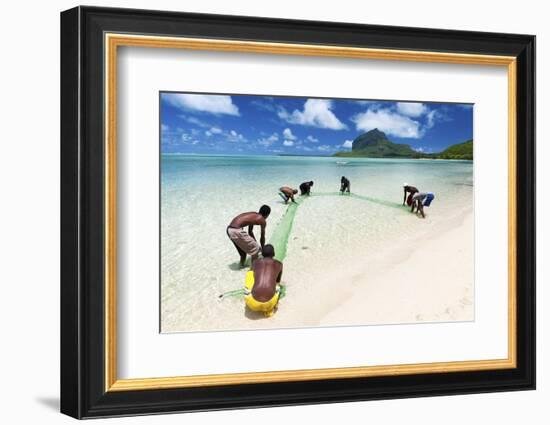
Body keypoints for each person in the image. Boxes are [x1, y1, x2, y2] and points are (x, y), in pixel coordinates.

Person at [244, 244, 283, 317]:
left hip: (252, 304)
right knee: (278, 286)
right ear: (274, 253)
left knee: (250, 273)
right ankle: (270, 310)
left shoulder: (255, 262)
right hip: (269, 304)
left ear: (262, 254)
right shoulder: (279, 264)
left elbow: (254, 273)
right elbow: (278, 281)